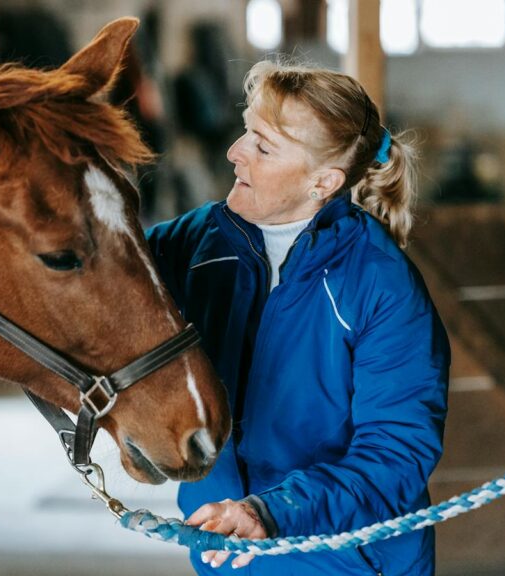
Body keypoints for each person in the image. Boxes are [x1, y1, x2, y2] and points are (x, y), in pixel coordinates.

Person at [146, 60, 450, 575]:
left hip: (347, 564)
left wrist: (271, 511)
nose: (235, 153)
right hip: (228, 558)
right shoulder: (197, 244)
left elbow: (396, 453)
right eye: (247, 132)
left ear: (323, 181)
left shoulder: (380, 284)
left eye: (263, 147)